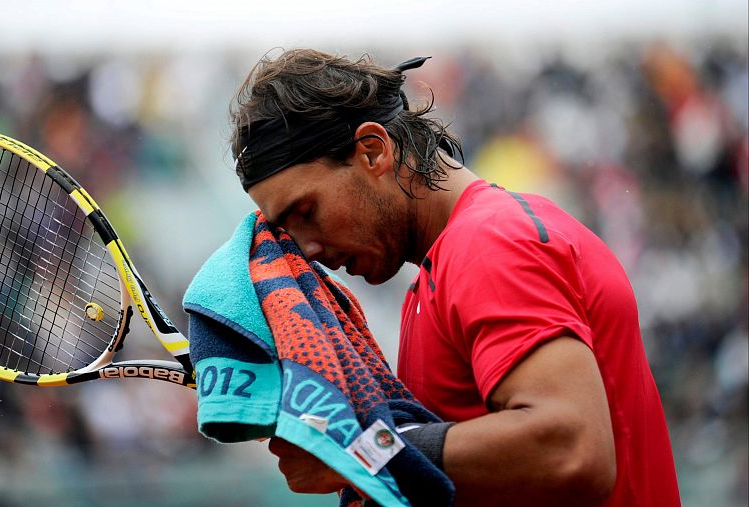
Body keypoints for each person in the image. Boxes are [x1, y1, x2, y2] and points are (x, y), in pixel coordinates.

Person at [228, 49, 681, 507]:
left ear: (373, 151)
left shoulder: (488, 242)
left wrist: (362, 449)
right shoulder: (444, 267)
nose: (307, 249)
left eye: (307, 211)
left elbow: (571, 449)